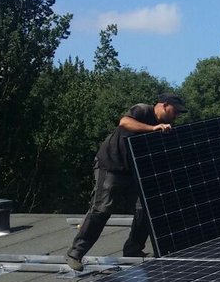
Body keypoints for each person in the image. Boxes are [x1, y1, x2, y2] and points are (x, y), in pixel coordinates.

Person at [66, 93, 188, 271]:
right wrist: (152, 129)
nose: (176, 116)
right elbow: (124, 123)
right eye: (175, 111)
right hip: (111, 165)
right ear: (164, 105)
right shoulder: (142, 110)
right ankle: (75, 253)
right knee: (102, 208)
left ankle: (133, 249)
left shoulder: (165, 128)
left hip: (133, 171)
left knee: (146, 208)